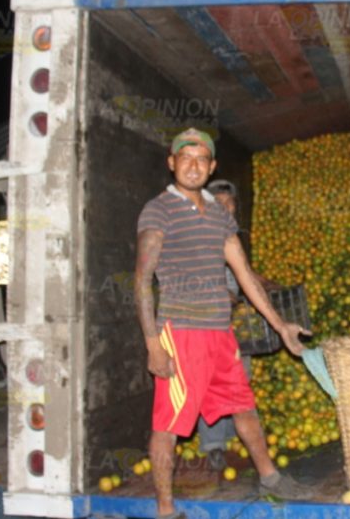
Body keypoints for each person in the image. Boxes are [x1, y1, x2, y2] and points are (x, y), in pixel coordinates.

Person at [135, 128, 314, 519]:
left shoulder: (218, 215)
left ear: (212, 166)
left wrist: (281, 325)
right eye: (185, 158)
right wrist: (153, 344)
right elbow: (142, 280)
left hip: (220, 333)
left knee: (243, 407)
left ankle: (270, 478)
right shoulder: (159, 210)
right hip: (181, 333)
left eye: (201, 159)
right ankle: (165, 510)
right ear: (172, 163)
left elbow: (245, 275)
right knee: (168, 424)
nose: (193, 166)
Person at [196, 178, 280, 472]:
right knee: (212, 383)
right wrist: (223, 294)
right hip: (207, 323)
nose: (226, 208)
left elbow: (243, 271)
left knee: (239, 378)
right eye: (219, 203)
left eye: (230, 203)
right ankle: (213, 445)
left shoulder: (230, 236)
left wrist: (267, 284)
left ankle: (234, 436)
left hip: (233, 322)